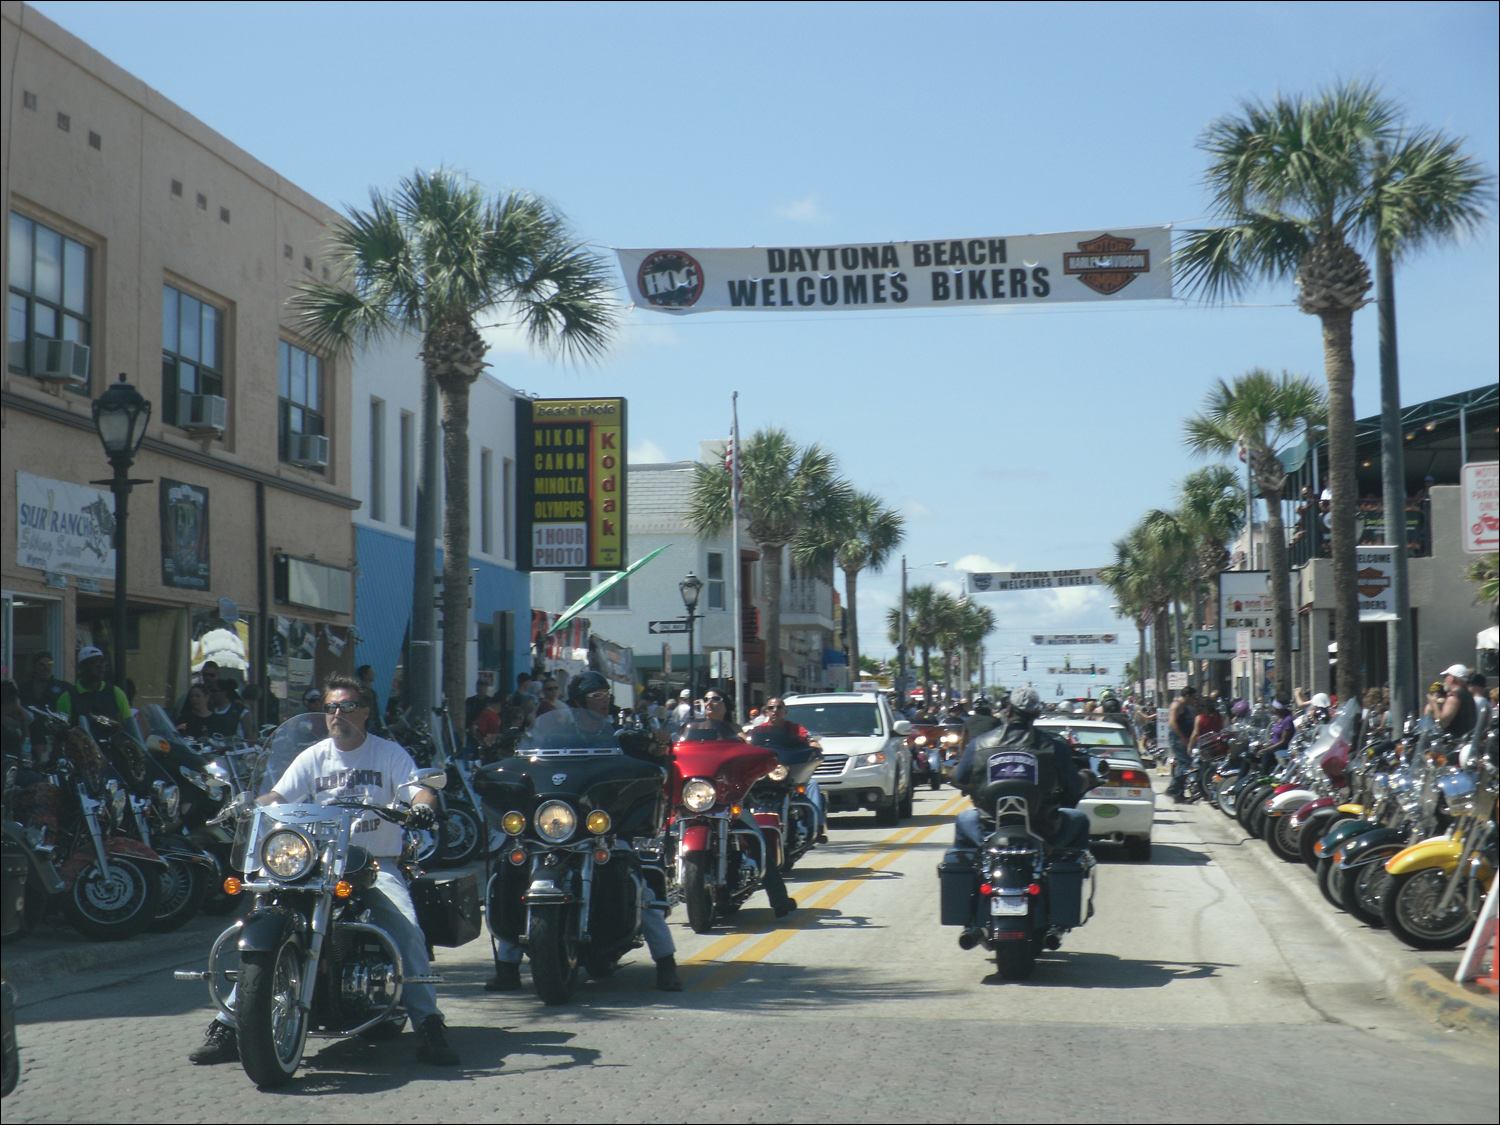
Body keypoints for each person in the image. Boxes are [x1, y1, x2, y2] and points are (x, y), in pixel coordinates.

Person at [189, 673, 459, 1067]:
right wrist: (250, 805)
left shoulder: (388, 754)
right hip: (314, 862)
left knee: (406, 927)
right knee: (262, 922)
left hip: (372, 863)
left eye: (347, 706)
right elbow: (279, 795)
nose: (337, 714)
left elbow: (419, 787)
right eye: (330, 706)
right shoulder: (313, 756)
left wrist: (421, 805)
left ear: (365, 711)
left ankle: (429, 1024)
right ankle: (229, 1025)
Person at [489, 671, 684, 992]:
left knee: (639, 887)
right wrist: (506, 745)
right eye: (595, 694)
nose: (604, 698)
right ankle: (508, 968)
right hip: (555, 824)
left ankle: (666, 964)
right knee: (513, 877)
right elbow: (531, 755)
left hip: (601, 827)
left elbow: (647, 752)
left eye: (605, 693)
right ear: (579, 701)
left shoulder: (620, 734)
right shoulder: (557, 735)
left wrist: (655, 746)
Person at [945, 687, 1092, 943]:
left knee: (963, 821)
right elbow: (1071, 790)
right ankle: (1063, 902)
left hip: (989, 829)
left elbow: (959, 777)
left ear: (1007, 711)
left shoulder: (979, 744)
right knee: (1079, 820)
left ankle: (969, 917)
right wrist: (1086, 778)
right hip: (1043, 829)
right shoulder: (1053, 747)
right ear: (1035, 715)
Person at [748, 697, 827, 844]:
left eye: (779, 707)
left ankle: (816, 827)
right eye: (771, 708)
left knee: (812, 785)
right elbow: (748, 743)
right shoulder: (758, 731)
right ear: (766, 712)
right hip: (763, 775)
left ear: (785, 711)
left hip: (788, 773)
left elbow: (808, 740)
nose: (775, 711)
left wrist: (813, 745)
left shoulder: (796, 729)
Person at [58, 647, 132, 729]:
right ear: (82, 667)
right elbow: (62, 729)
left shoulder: (116, 693)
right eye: (95, 662)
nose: (100, 666)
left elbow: (130, 724)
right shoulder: (67, 697)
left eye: (102, 662)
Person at [18, 651, 69, 743]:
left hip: (53, 739)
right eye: (42, 664)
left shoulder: (64, 688)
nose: (46, 667)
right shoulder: (23, 689)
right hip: (28, 737)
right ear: (34, 667)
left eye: (49, 664)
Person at [1164, 685, 1199, 802]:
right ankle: (1174, 789)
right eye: (1193, 697)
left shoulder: (1188, 707)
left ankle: (1178, 792)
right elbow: (1172, 722)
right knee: (1185, 764)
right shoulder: (1177, 705)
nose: (1194, 699)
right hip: (1178, 738)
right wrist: (1182, 737)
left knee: (1185, 764)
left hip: (1186, 738)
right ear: (1187, 695)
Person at [1434, 663, 1478, 742]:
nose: (1445, 680)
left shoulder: (1454, 697)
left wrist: (1433, 704)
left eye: (1446, 676)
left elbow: (1443, 723)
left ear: (1453, 678)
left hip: (1454, 743)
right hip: (1466, 741)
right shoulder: (1467, 694)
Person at [357, 664, 384, 734]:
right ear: (365, 675)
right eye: (371, 673)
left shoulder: (370, 690)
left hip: (375, 721)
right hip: (370, 722)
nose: (374, 674)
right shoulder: (363, 691)